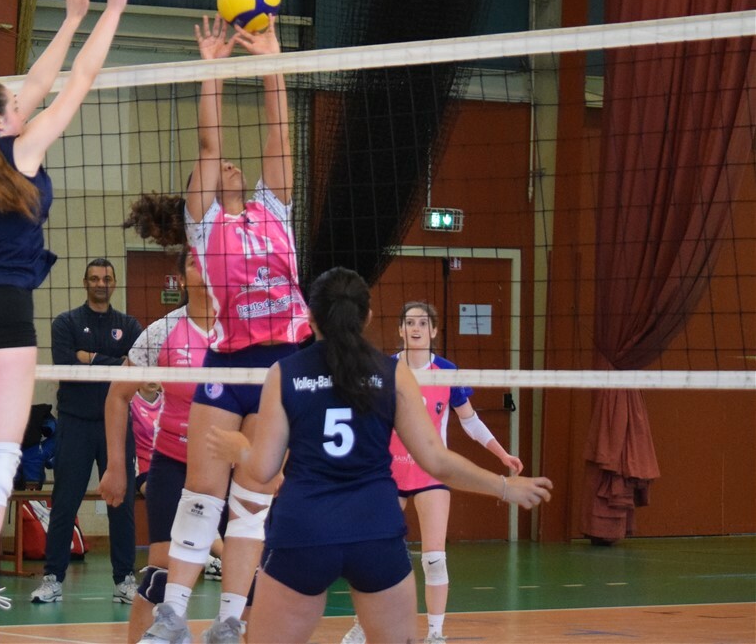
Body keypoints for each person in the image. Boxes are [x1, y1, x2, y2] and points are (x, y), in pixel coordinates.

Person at [0, 0, 141, 643]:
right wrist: (111, 11)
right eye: (15, 104)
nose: (26, 101)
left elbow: (38, 83)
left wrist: (73, 18)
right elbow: (76, 81)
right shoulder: (20, 153)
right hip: (0, 311)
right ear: (0, 119)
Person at [206, 267, 552, 644]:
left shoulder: (284, 373)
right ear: (367, 317)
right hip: (375, 529)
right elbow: (437, 460)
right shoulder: (393, 373)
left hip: (305, 530)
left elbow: (263, 470)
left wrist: (240, 448)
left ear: (310, 316)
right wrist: (504, 487)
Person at [139, 17, 313, 644]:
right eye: (220, 171)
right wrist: (211, 66)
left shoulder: (275, 210)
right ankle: (172, 616)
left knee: (253, 496)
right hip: (228, 360)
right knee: (201, 491)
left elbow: (278, 132)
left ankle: (232, 619)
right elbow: (210, 144)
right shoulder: (205, 223)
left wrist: (270, 59)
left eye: (240, 168)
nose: (231, 167)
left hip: (281, 365)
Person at [340, 300, 524, 644]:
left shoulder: (447, 372)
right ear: (400, 329)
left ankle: (436, 634)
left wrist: (502, 454)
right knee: (371, 551)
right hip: (389, 474)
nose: (416, 328)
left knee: (435, 558)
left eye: (423, 323)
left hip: (430, 474)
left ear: (434, 330)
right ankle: (362, 625)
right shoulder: (384, 369)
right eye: (409, 322)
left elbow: (470, 421)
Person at [101, 236, 216, 644]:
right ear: (181, 277)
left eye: (212, 260)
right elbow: (117, 396)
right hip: (174, 463)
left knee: (251, 575)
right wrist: (117, 467)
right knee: (161, 573)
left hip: (230, 467)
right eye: (194, 263)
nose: (204, 269)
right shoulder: (163, 331)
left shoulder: (241, 331)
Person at [31, 258, 143, 605]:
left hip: (116, 425)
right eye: (94, 278)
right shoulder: (66, 323)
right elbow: (66, 365)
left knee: (121, 502)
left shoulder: (129, 325)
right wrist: (114, 362)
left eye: (106, 278)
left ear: (114, 283)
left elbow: (136, 369)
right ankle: (52, 578)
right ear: (85, 283)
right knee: (65, 502)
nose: (100, 284)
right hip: (75, 423)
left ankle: (125, 579)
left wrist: (90, 357)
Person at [129, 381, 163, 495]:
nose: (152, 380)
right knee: (157, 494)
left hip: (167, 465)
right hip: (143, 467)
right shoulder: (129, 401)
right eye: (147, 374)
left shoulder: (169, 401)